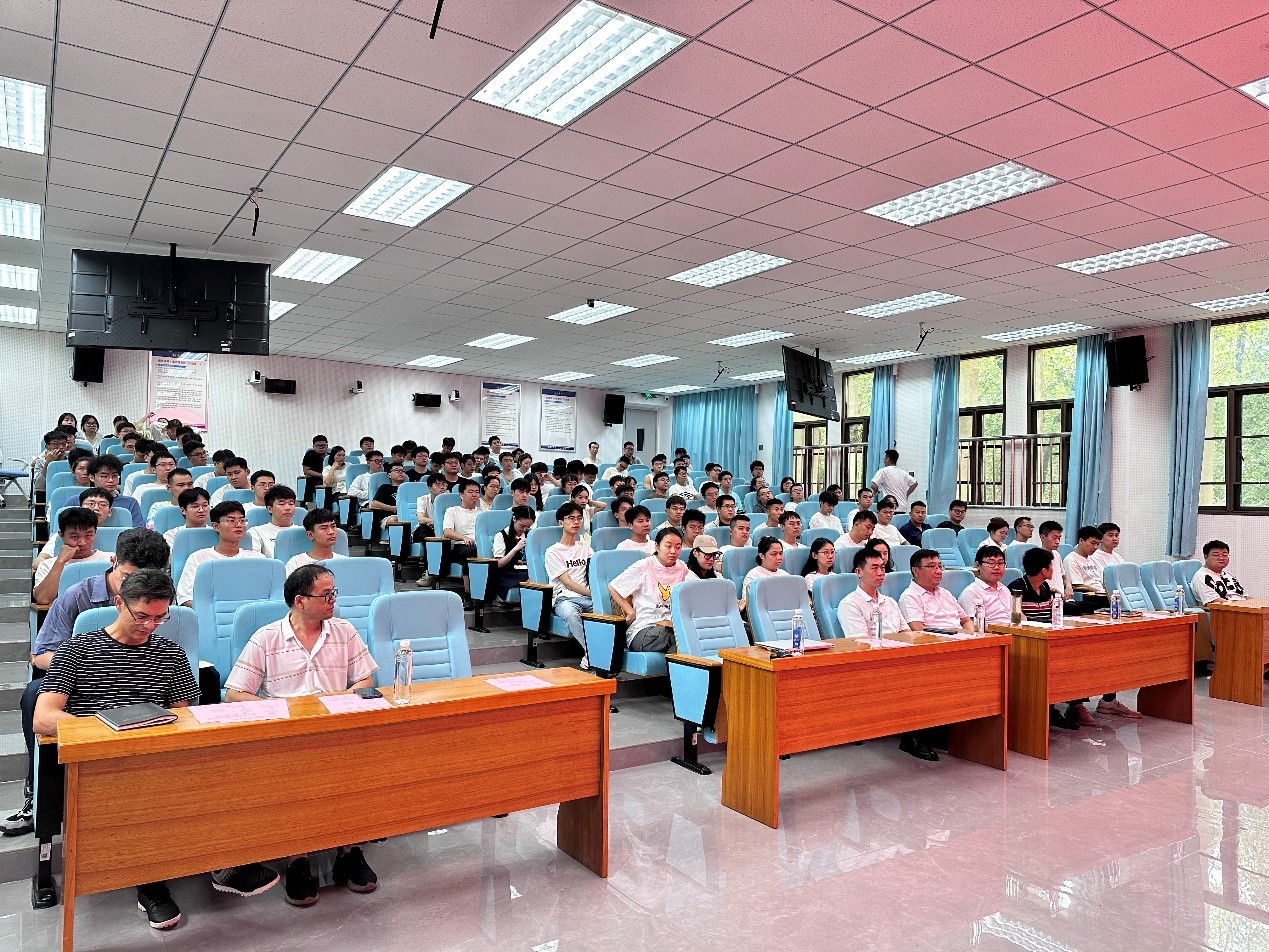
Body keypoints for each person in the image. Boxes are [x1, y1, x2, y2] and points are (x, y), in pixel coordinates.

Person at [34, 568, 280, 925]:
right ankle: (152, 884)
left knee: (222, 772)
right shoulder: (77, 650)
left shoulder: (170, 654)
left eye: (160, 618)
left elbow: (184, 716)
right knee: (146, 791)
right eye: (142, 616)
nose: (150, 626)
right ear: (119, 603)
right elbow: (43, 717)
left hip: (157, 754)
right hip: (99, 759)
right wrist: (110, 730)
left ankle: (222, 861)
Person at [224, 564, 378, 905]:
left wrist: (342, 701)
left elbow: (365, 679)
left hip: (335, 728)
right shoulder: (266, 638)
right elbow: (234, 693)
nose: (333, 600)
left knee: (358, 763)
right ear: (300, 600)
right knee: (294, 776)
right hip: (287, 736)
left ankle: (349, 850)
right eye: (326, 595)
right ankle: (298, 858)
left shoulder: (344, 631)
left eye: (334, 593)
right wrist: (283, 711)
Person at [1010, 547, 1085, 730]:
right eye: (1051, 566)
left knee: (1076, 658)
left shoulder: (1045, 588)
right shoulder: (1017, 588)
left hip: (1048, 638)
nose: (1053, 569)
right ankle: (1049, 710)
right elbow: (1018, 620)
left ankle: (1068, 706)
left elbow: (1053, 615)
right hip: (1028, 643)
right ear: (1044, 570)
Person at [607, 528, 690, 654]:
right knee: (678, 637)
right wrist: (630, 612)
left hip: (671, 626)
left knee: (683, 639)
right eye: (668, 546)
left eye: (678, 547)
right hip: (643, 630)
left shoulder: (682, 567)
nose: (673, 551)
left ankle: (676, 667)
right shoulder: (644, 566)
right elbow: (613, 587)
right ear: (657, 546)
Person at [176, 501, 267, 607]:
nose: (239, 525)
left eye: (242, 520)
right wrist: (209, 611)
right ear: (216, 526)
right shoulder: (198, 558)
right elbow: (185, 597)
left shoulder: (258, 559)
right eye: (231, 520)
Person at [545, 502, 594, 667]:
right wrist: (592, 593)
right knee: (572, 615)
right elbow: (567, 583)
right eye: (571, 518)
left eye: (579, 518)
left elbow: (595, 572)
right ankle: (592, 653)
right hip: (564, 598)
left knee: (609, 613)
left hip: (587, 597)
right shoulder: (553, 551)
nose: (576, 522)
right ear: (561, 522)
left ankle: (607, 653)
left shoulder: (585, 548)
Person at [31, 506, 111, 604]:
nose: (82, 543)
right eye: (75, 537)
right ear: (61, 535)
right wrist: (61, 561)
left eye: (88, 535)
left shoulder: (110, 559)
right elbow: (43, 599)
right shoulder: (47, 565)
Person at [900, 549, 973, 635]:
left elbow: (966, 621)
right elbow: (918, 628)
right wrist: (955, 634)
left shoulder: (945, 593)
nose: (938, 571)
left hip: (963, 638)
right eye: (932, 567)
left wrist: (970, 634)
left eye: (939, 567)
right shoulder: (910, 596)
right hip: (938, 640)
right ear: (915, 571)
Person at [443, 479, 481, 607]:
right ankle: (467, 594)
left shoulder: (483, 512)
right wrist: (464, 538)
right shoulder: (452, 511)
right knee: (471, 554)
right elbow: (447, 531)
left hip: (480, 546)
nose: (474, 495)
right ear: (461, 494)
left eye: (477, 492)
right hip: (459, 546)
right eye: (470, 492)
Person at [488, 505, 534, 601]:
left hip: (525, 570)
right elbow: (499, 564)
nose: (524, 529)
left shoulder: (530, 535)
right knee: (531, 579)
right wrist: (515, 549)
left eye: (528, 527)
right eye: (522, 526)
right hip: (507, 573)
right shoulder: (501, 536)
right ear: (514, 519)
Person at [284, 508, 346, 576]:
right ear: (310, 535)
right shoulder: (296, 563)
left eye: (333, 526)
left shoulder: (345, 562)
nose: (331, 532)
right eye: (324, 528)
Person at [959, 545, 1011, 625]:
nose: (997, 567)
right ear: (978, 565)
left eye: (1000, 563)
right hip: (993, 631)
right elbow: (974, 627)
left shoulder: (1004, 589)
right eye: (991, 563)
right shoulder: (971, 593)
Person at [85, 454, 142, 527]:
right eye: (104, 476)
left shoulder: (130, 502)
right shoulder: (76, 500)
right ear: (92, 477)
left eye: (114, 476)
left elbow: (138, 529)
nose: (111, 480)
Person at [1063, 525, 1108, 608]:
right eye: (1093, 543)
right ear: (1081, 541)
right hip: (1088, 597)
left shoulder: (1094, 558)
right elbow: (1077, 585)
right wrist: (1097, 591)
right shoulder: (1071, 560)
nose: (1095, 547)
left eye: (1097, 544)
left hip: (1101, 594)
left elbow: (1103, 581)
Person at [247, 485, 297, 559]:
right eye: (282, 504)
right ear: (270, 509)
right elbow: (255, 559)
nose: (288, 508)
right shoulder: (256, 532)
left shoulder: (303, 531)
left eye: (291, 504)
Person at [740, 536, 785, 615]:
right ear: (762, 556)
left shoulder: (785, 575)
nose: (779, 558)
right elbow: (749, 604)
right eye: (773, 554)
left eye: (780, 553)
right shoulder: (753, 576)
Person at [1192, 540, 1246, 604]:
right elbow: (1214, 601)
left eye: (1225, 555)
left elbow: (1244, 595)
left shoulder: (1229, 575)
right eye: (1216, 555)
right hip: (1224, 609)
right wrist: (1242, 605)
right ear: (1205, 556)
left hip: (1241, 606)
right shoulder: (1202, 576)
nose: (1221, 558)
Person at [367, 461, 407, 546]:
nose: (400, 472)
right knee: (394, 519)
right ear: (389, 475)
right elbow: (374, 503)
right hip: (388, 517)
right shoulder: (385, 487)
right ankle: (395, 545)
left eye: (402, 471)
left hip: (407, 516)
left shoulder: (408, 488)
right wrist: (393, 508)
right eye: (396, 470)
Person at [1037, 519, 1073, 602]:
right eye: (1054, 538)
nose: (1057, 542)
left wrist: (1068, 586)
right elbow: (1034, 583)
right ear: (1042, 537)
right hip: (1048, 600)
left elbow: (1063, 576)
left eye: (1059, 538)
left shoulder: (1057, 555)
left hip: (1062, 599)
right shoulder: (1036, 556)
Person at [300, 435, 329, 504]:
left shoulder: (331, 456)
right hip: (315, 478)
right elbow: (306, 471)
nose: (321, 447)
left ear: (327, 446)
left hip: (330, 478)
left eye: (323, 445)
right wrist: (321, 475)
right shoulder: (310, 454)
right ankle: (306, 503)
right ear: (314, 447)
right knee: (310, 481)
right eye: (318, 445)